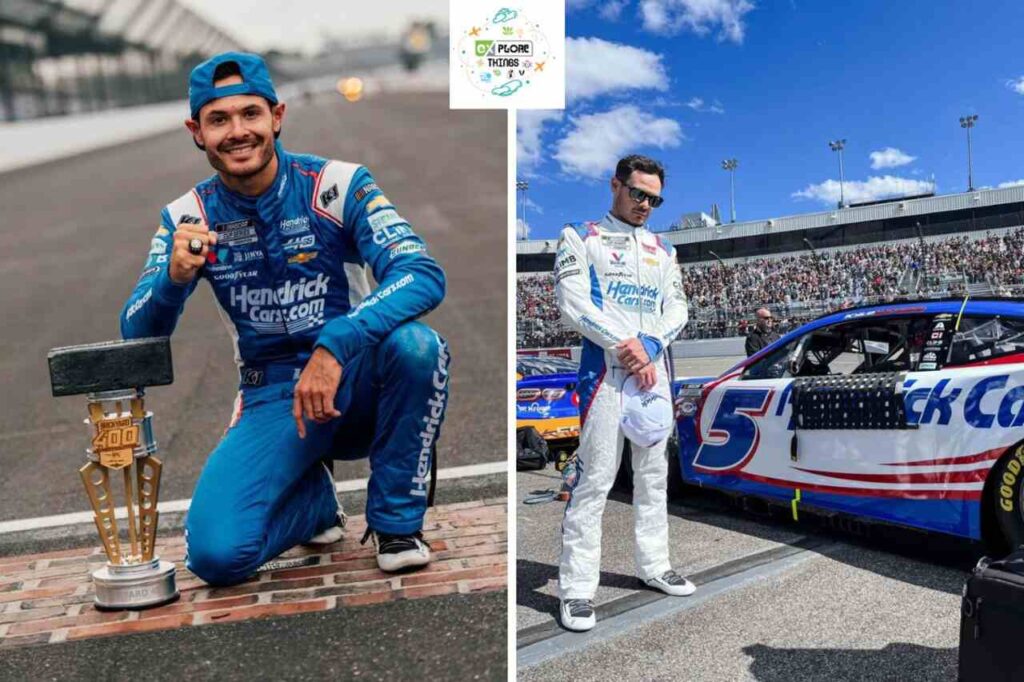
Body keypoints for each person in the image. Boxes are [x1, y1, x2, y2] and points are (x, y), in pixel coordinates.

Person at [120, 52, 449, 586]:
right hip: (272, 395)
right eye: (219, 120)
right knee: (216, 557)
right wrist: (172, 280)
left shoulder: (338, 185)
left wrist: (335, 344)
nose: (237, 132)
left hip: (356, 375)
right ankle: (316, 505)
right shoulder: (186, 217)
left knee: (417, 347)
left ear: (277, 115)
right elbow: (137, 335)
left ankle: (396, 523)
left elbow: (421, 273)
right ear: (196, 132)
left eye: (250, 114)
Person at [554, 154, 695, 633]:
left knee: (654, 476)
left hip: (652, 372)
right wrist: (625, 345)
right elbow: (573, 301)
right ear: (615, 185)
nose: (646, 205)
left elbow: (678, 306)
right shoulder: (580, 235)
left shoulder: (664, 249)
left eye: (654, 199)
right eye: (638, 194)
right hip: (605, 374)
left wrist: (651, 343)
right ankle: (576, 589)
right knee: (595, 479)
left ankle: (654, 564)